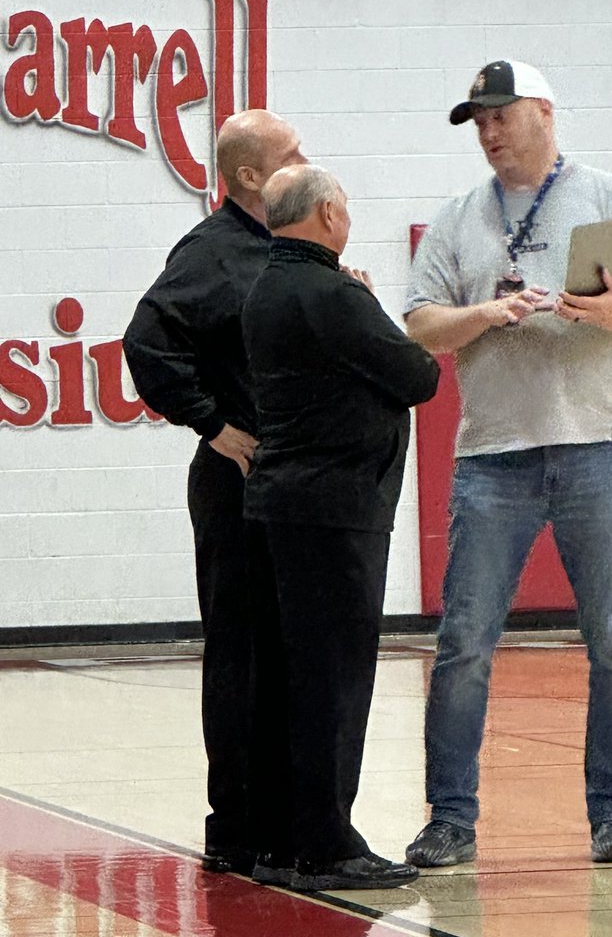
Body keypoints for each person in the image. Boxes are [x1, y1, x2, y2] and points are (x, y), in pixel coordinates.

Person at [403, 60, 612, 868]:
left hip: (602, 445)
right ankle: (450, 818)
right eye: (477, 122)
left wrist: (610, 311)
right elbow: (420, 325)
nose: (488, 133)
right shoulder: (458, 219)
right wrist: (486, 313)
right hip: (494, 456)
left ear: (544, 113)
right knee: (464, 644)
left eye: (500, 115)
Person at [242, 164, 440, 891]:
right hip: (335, 510)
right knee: (334, 680)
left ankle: (278, 840)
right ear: (326, 215)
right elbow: (418, 375)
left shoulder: (267, 286)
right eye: (346, 206)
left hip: (282, 504)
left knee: (288, 679)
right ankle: (328, 843)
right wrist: (369, 301)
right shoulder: (331, 291)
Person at [122, 110, 307, 876]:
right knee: (241, 650)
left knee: (287, 649)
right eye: (292, 154)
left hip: (288, 479)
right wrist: (212, 424)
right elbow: (147, 340)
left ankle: (282, 814)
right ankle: (234, 823)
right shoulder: (213, 252)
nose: (307, 160)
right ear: (250, 178)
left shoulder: (283, 251)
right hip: (236, 479)